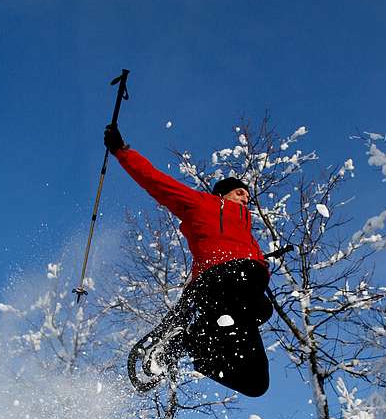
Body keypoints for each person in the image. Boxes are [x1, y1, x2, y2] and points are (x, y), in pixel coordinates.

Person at [104, 122, 272, 396]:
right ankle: (198, 331)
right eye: (239, 191)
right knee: (262, 307)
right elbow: (157, 182)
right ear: (222, 194)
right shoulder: (203, 204)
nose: (246, 197)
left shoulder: (247, 229)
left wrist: (262, 261)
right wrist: (122, 151)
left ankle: (193, 344)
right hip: (220, 280)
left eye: (248, 195)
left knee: (256, 383)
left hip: (241, 294)